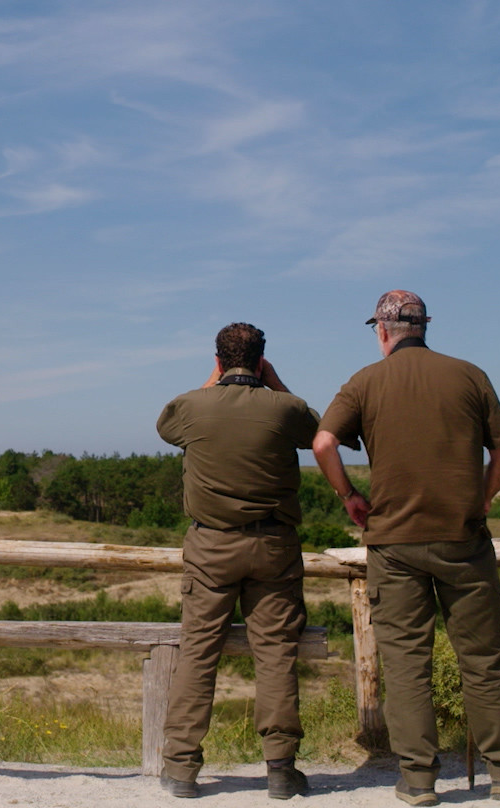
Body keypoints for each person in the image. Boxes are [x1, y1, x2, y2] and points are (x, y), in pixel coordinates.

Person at [309, 291, 500, 805]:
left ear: (382, 331)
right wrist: (479, 501)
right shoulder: (469, 375)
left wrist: (349, 496)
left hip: (393, 543)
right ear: (425, 326)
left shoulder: (364, 382)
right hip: (463, 539)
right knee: (482, 660)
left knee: (408, 664)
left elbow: (323, 443)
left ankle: (418, 780)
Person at [155, 322, 318, 800]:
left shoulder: (191, 407)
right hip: (274, 548)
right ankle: (281, 769)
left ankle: (182, 768)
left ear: (218, 360)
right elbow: (317, 431)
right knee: (276, 655)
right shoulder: (284, 409)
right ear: (263, 360)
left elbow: (166, 426)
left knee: (199, 653)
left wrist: (214, 380)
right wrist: (275, 382)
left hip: (210, 548)